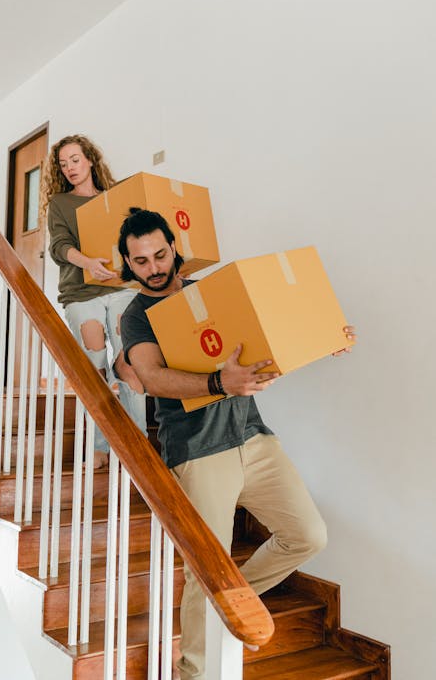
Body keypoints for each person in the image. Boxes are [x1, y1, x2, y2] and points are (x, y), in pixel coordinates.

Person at [118, 208, 355, 680]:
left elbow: (263, 347)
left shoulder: (209, 294)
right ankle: (195, 671)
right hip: (198, 453)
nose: (154, 267)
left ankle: (226, 601)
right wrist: (220, 383)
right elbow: (150, 377)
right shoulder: (137, 317)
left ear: (174, 247)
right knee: (205, 568)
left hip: (254, 438)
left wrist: (322, 338)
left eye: (160, 254)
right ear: (127, 263)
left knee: (308, 535)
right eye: (141, 261)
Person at [41, 135, 147, 466]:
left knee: (131, 361)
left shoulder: (115, 200)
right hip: (81, 292)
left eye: (75, 159)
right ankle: (102, 443)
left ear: (89, 160)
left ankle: (139, 440)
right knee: (96, 366)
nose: (70, 168)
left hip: (120, 289)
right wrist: (88, 263)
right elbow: (59, 246)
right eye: (63, 163)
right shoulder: (60, 203)